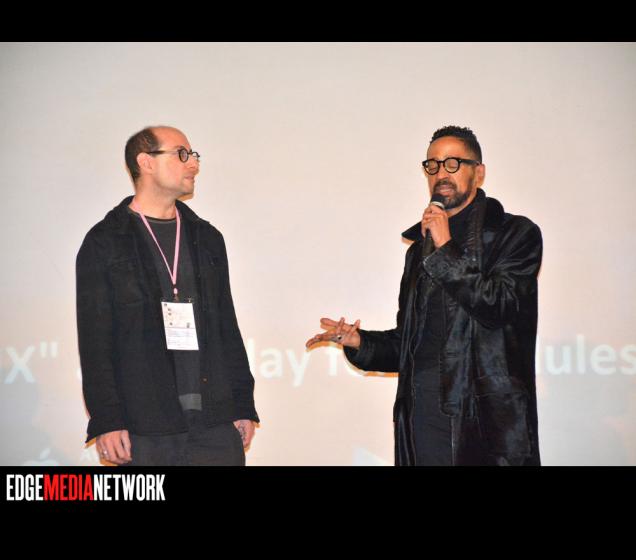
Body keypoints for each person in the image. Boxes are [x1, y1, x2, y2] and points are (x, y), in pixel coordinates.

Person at [306, 126, 542, 466]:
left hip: (484, 424)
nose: (441, 173)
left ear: (478, 172)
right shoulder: (418, 251)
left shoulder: (515, 234)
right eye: (432, 165)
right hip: (422, 416)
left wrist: (445, 247)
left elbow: (500, 307)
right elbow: (408, 344)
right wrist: (360, 342)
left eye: (452, 163)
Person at [77, 126, 259, 465]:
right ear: (145, 162)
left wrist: (241, 404)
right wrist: (108, 419)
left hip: (215, 423)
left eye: (194, 155)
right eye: (182, 154)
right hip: (144, 426)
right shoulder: (105, 241)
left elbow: (227, 327)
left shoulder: (207, 238)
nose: (193, 164)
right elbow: (95, 341)